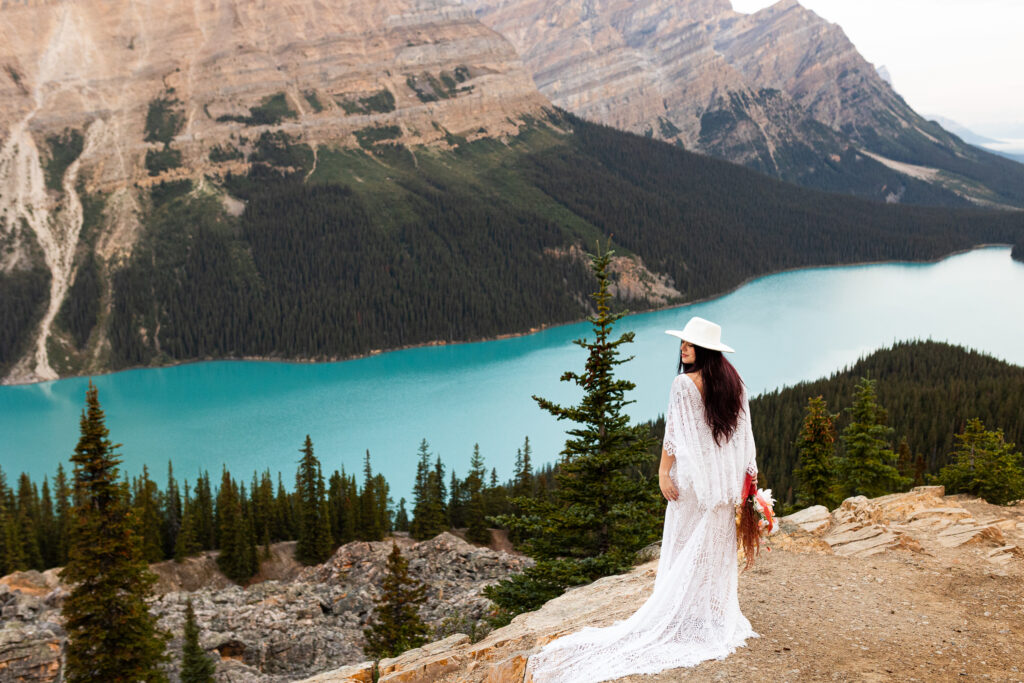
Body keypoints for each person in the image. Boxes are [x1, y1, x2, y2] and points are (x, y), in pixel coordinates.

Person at [525, 316, 760, 683]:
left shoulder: (683, 384)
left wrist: (663, 473)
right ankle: (707, 615)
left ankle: (680, 615)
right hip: (719, 489)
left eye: (690, 344)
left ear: (706, 351)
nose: (683, 348)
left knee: (682, 548)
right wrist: (746, 484)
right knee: (712, 551)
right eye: (683, 342)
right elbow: (744, 441)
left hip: (691, 486)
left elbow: (675, 436)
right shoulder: (735, 384)